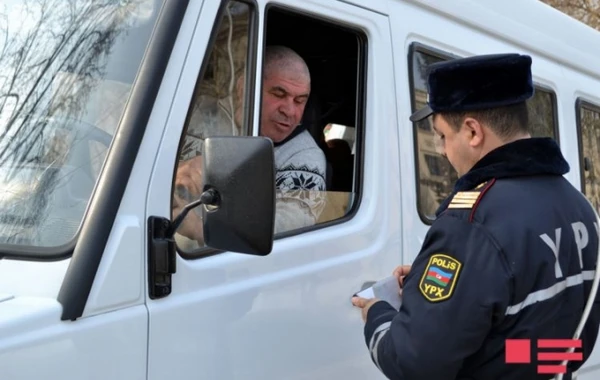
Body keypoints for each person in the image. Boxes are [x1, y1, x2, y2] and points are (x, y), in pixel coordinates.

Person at [351, 53, 600, 379]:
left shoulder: (472, 224)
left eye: (441, 136)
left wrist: (378, 313)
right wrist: (461, 288)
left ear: (472, 131)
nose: (441, 149)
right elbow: (571, 347)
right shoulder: (578, 205)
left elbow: (414, 364)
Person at [173, 45, 327, 247]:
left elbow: (288, 227)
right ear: (244, 87)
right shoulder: (199, 110)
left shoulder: (303, 155)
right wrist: (180, 172)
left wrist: (199, 228)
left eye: (299, 101)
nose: (290, 111)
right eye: (279, 94)